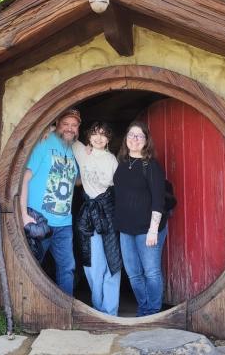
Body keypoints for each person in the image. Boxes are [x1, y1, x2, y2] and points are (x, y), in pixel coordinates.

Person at [20, 108, 81, 296]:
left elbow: (77, 180)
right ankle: (29, 310)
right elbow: (25, 179)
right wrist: (23, 214)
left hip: (64, 223)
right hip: (39, 221)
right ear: (57, 124)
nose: (70, 129)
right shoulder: (43, 143)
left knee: (68, 268)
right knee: (32, 267)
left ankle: (66, 313)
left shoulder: (74, 149)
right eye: (65, 124)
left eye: (74, 125)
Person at [113, 120, 168, 316]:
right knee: (133, 274)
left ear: (146, 141)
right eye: (131, 135)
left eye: (139, 136)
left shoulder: (150, 165)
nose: (135, 139)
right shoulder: (120, 164)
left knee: (151, 272)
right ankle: (144, 308)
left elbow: (158, 200)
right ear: (125, 139)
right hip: (126, 229)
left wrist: (153, 230)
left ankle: (153, 311)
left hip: (148, 229)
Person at [75, 122, 122, 316]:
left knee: (112, 261)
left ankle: (110, 311)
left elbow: (119, 189)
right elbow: (59, 129)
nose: (99, 138)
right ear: (89, 137)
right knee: (93, 263)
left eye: (103, 134)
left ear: (108, 139)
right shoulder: (81, 151)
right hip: (89, 214)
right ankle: (97, 308)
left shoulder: (112, 160)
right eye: (95, 134)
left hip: (108, 212)